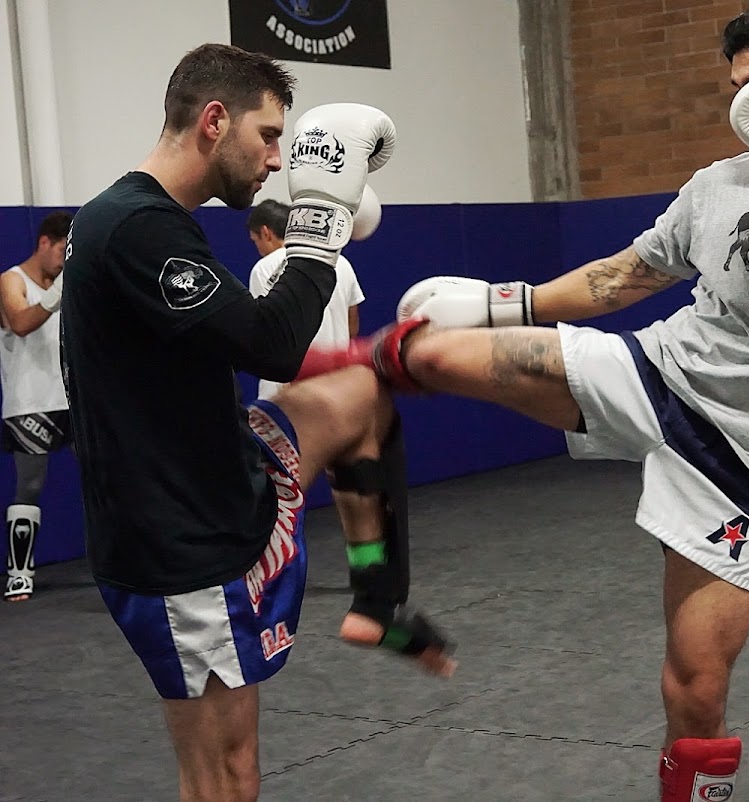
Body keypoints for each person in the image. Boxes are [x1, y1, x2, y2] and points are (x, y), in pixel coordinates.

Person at [294, 2, 749, 797]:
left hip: (748, 459)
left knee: (696, 693)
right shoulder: (714, 186)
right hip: (658, 372)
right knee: (419, 352)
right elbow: (622, 277)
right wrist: (516, 302)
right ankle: (374, 588)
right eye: (733, 87)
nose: (743, 107)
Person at [59, 43, 453, 802]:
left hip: (222, 464)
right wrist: (321, 218)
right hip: (181, 544)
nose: (277, 159)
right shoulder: (136, 227)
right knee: (229, 776)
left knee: (359, 395)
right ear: (214, 121)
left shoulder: (142, 218)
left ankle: (375, 600)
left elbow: (242, 345)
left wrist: (379, 353)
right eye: (268, 135)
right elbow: (270, 340)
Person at [0, 210, 73, 601]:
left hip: (72, 398)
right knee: (30, 484)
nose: (64, 260)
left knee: (107, 479)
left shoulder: (65, 284)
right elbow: (20, 322)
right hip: (29, 401)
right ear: (43, 242)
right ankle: (19, 574)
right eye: (61, 250)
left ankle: (126, 563)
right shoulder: (11, 280)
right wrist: (54, 296)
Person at [245, 198, 365, 400]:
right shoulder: (341, 263)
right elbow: (352, 323)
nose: (257, 248)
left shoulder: (264, 268)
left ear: (266, 233)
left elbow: (266, 334)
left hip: (287, 394)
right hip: (338, 388)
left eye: (255, 241)